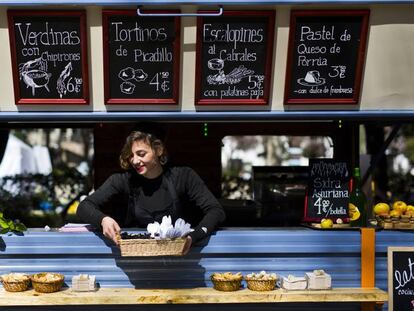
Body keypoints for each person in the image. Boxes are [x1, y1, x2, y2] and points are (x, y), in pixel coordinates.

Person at [77, 129, 225, 252]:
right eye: (131, 156)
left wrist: (193, 237)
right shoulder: (122, 180)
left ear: (158, 150)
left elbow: (216, 211)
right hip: (135, 257)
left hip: (179, 257)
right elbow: (84, 207)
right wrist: (103, 219)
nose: (135, 161)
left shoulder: (183, 176)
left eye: (141, 154)